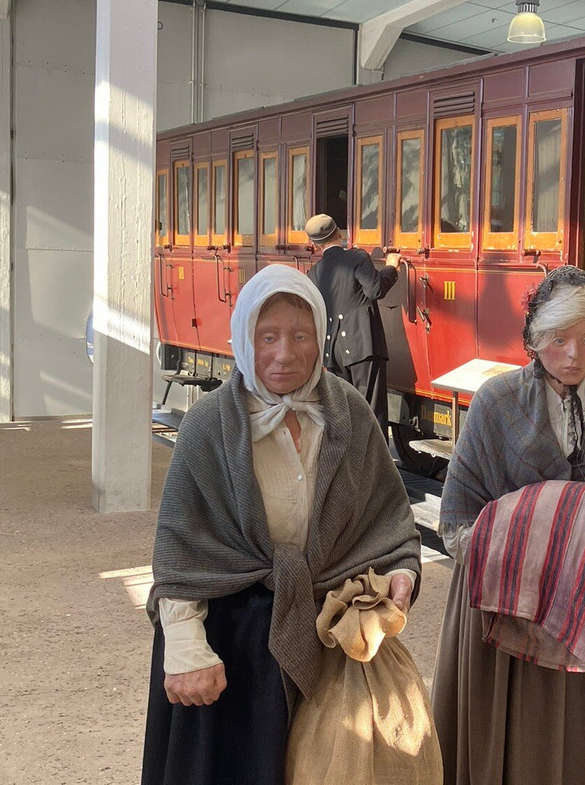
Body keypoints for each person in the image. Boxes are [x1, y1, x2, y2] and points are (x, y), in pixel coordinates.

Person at [141, 264, 422, 785]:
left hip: (329, 632)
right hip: (230, 638)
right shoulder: (211, 427)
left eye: (300, 335)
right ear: (245, 339)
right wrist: (185, 647)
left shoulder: (349, 414)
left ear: (322, 335)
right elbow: (182, 551)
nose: (284, 354)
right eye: (266, 336)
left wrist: (402, 572)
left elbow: (389, 515)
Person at [431, 265, 585, 785]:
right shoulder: (497, 403)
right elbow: (455, 518)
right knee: (499, 739)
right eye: (559, 339)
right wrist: (527, 549)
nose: (575, 354)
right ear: (535, 340)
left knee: (580, 738)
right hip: (500, 607)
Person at [304, 213, 400, 439]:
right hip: (363, 347)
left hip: (334, 352)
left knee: (344, 413)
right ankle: (376, 472)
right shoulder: (356, 258)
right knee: (371, 413)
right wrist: (392, 268)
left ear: (315, 244)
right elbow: (375, 289)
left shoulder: (314, 273)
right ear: (339, 233)